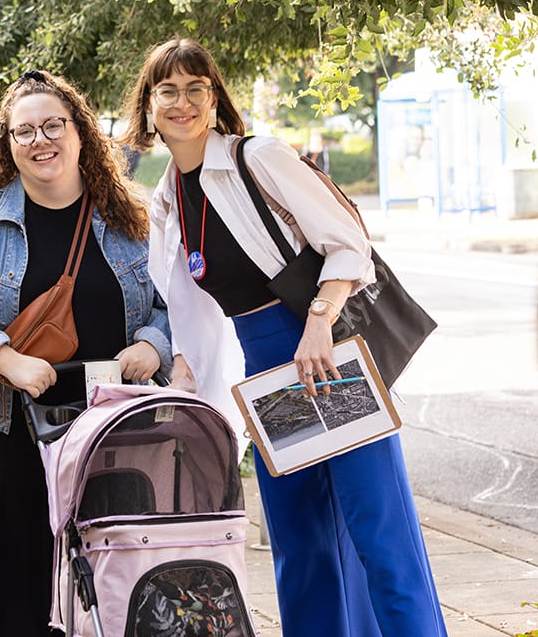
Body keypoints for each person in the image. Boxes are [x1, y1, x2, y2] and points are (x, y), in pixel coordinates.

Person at [120, 38, 446, 636]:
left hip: (327, 355)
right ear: (148, 107)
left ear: (214, 99)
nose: (182, 102)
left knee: (379, 531)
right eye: (168, 91)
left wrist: (320, 321)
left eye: (196, 88)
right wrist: (186, 380)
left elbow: (347, 241)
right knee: (300, 544)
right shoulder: (166, 199)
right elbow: (187, 307)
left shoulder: (258, 158)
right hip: (266, 372)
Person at [0, 70, 176, 636]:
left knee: (112, 586)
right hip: (11, 432)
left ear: (80, 132)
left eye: (53, 125)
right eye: (24, 131)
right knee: (16, 590)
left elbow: (177, 304)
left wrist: (152, 344)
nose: (41, 140)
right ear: (7, 145)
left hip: (111, 433)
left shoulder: (133, 220)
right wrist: (5, 360)